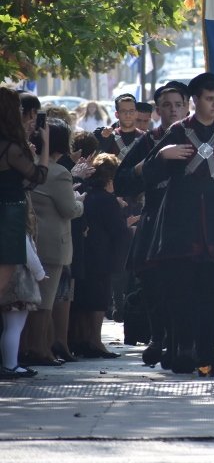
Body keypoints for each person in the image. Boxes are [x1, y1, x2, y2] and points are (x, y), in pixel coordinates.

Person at [140, 72, 214, 376]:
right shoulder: (178, 132)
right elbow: (144, 175)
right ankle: (182, 349)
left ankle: (207, 354)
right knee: (181, 293)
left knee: (210, 295)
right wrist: (163, 157)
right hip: (180, 226)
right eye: (209, 99)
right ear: (195, 100)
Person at [112, 80, 189, 366]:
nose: (173, 110)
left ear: (187, 106)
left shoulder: (203, 139)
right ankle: (159, 337)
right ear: (157, 110)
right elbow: (122, 181)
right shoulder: (149, 140)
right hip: (156, 219)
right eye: (166, 105)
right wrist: (154, 160)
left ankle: (183, 342)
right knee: (155, 285)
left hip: (192, 224)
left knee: (188, 288)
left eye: (178, 104)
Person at [21, 119, 83, 367]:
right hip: (53, 243)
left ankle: (30, 347)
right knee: (45, 301)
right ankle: (40, 349)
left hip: (29, 239)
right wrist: (81, 201)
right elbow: (69, 209)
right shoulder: (59, 173)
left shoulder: (27, 166)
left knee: (28, 300)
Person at [0, 87, 48, 369]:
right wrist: (43, 146)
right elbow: (37, 177)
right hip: (9, 214)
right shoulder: (11, 148)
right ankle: (9, 365)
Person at [72, 153, 130, 358]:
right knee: (98, 301)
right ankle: (95, 341)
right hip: (101, 256)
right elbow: (119, 231)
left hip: (81, 253)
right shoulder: (108, 201)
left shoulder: (86, 195)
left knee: (81, 299)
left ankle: (80, 339)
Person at [1, 224, 45, 378]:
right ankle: (11, 364)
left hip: (8, 281)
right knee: (15, 326)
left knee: (9, 326)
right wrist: (40, 273)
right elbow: (28, 254)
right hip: (19, 282)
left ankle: (10, 363)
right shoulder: (16, 228)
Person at [97, 94, 144, 159]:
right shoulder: (109, 137)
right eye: (123, 111)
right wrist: (104, 139)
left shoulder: (145, 138)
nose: (128, 115)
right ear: (117, 114)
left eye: (131, 111)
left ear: (136, 114)